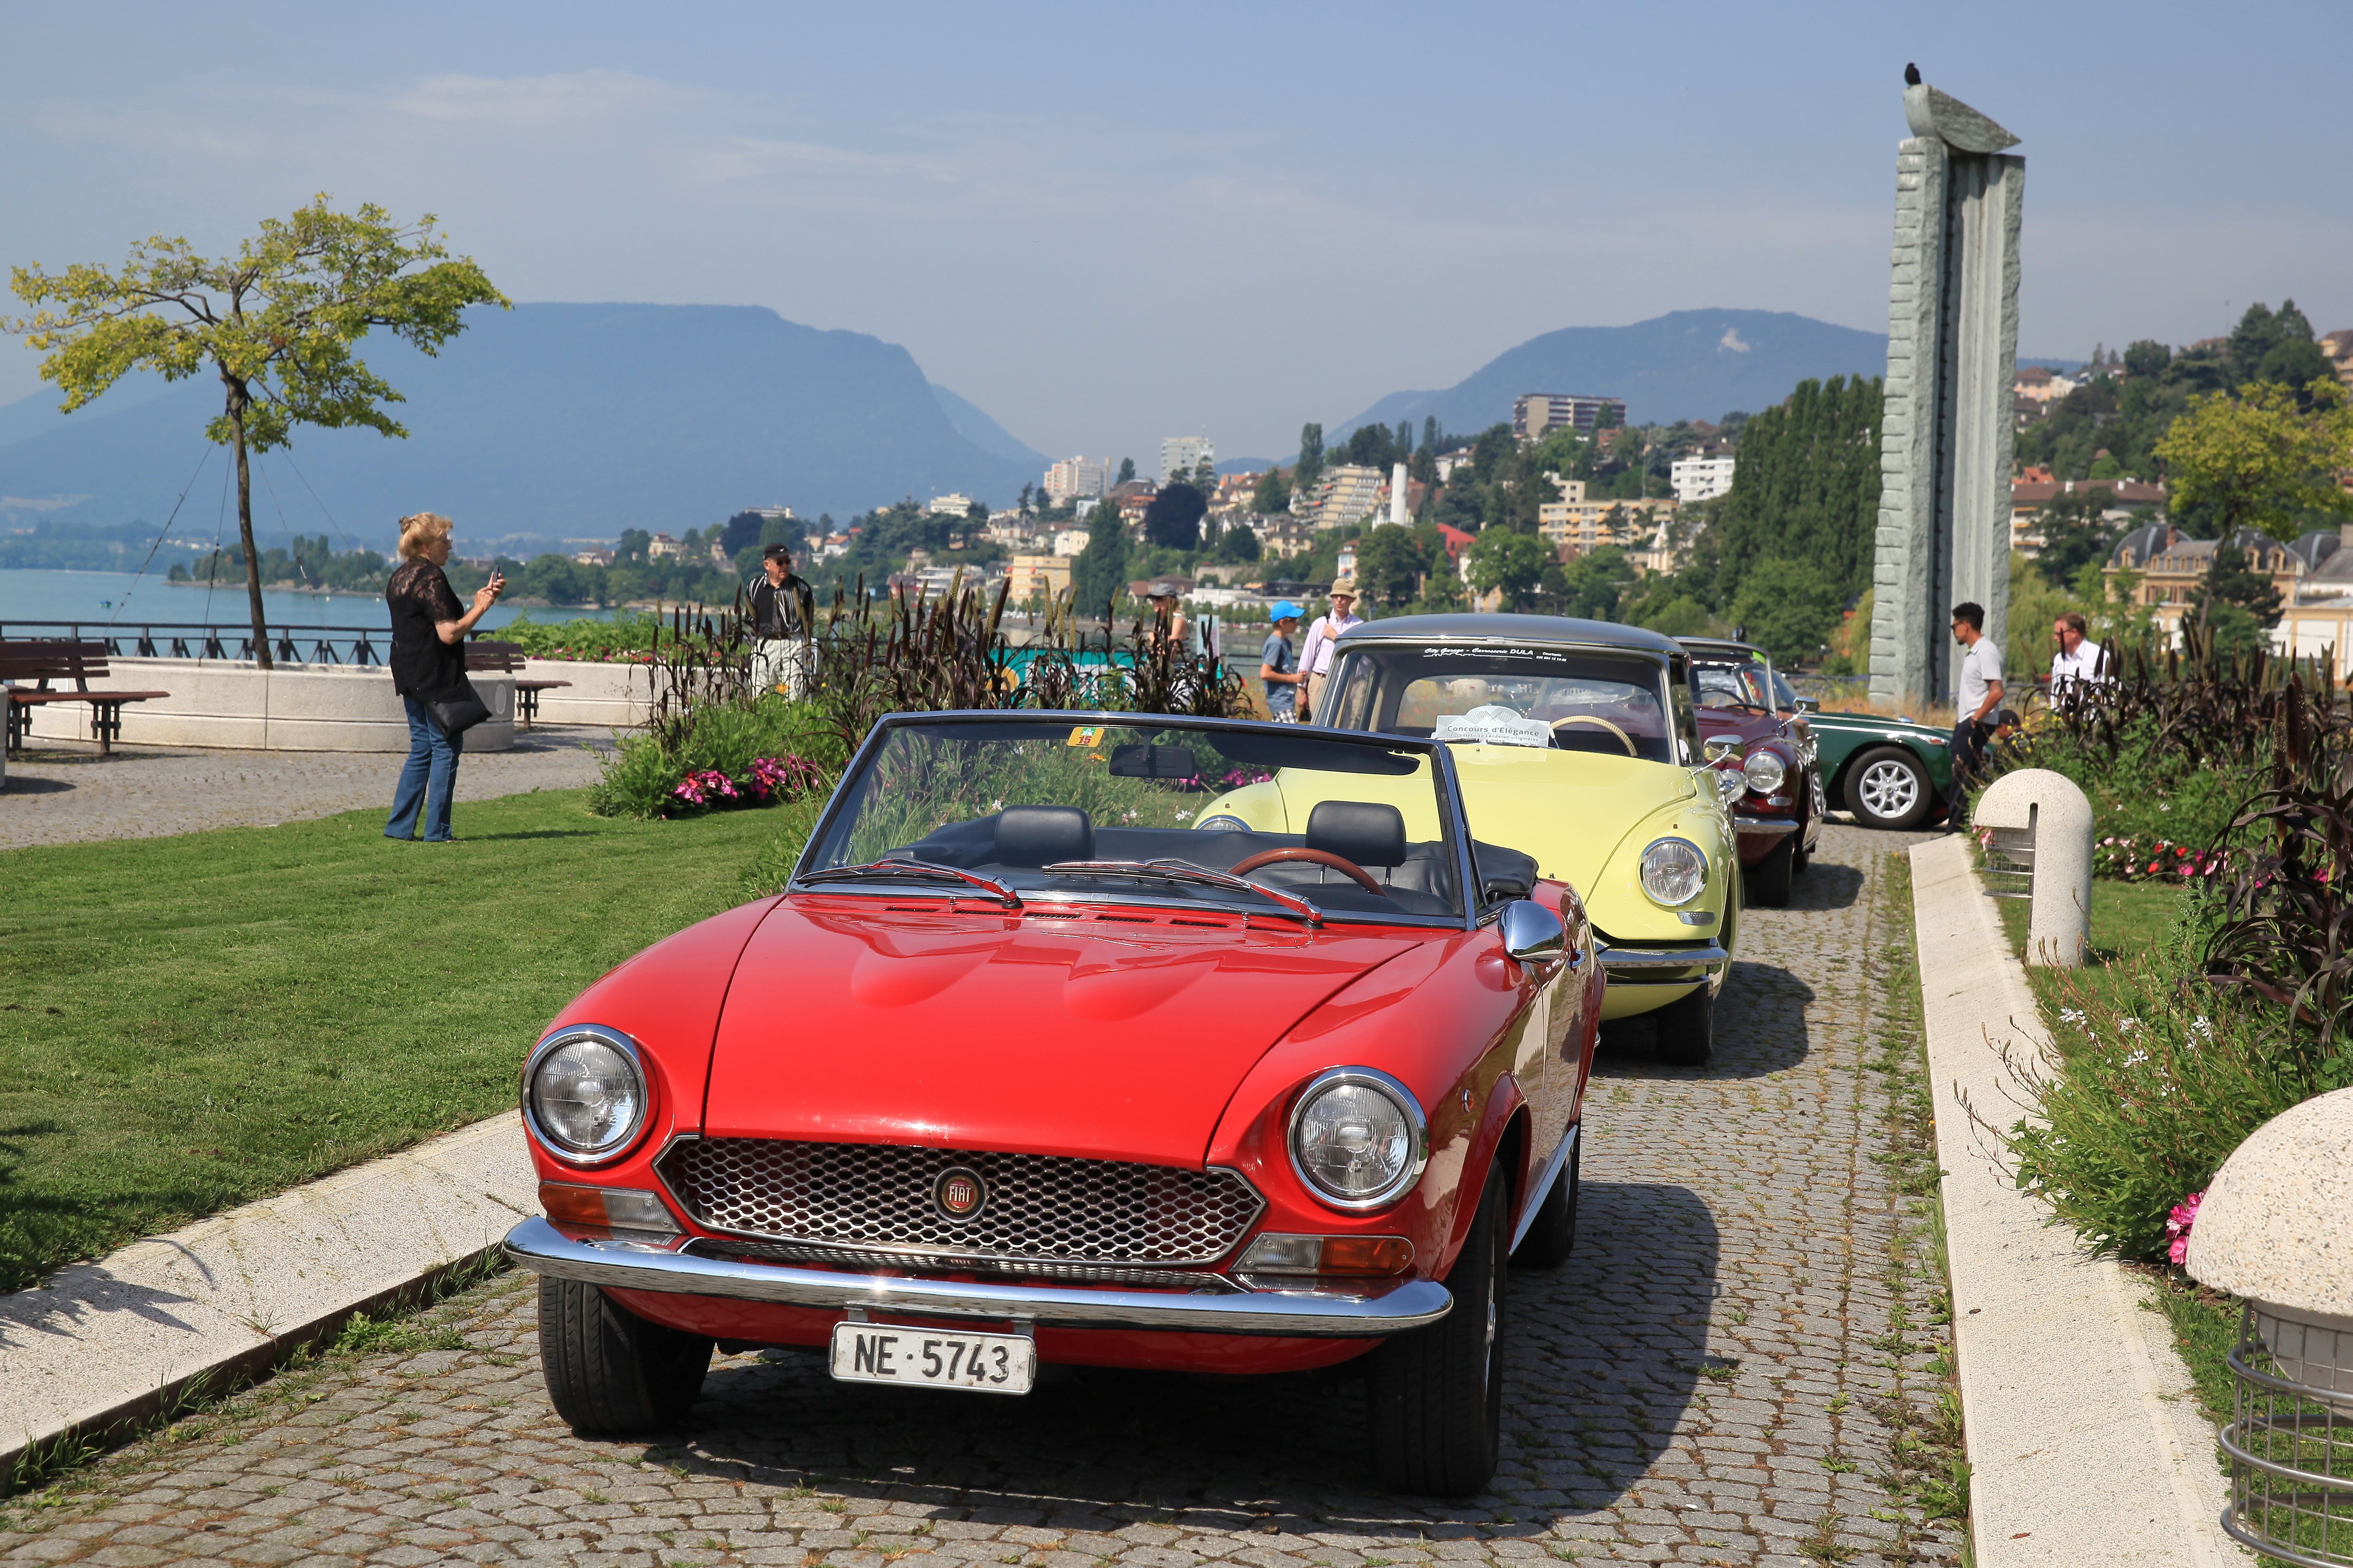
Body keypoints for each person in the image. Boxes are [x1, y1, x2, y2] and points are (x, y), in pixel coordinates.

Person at [386, 512, 502, 842]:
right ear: (427, 546)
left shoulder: (399, 577)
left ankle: (399, 827)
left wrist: (480, 601)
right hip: (436, 674)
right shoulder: (431, 577)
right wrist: (481, 607)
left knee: (421, 748)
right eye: (445, 541)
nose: (450, 546)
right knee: (446, 747)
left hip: (408, 672)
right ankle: (437, 830)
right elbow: (449, 634)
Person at [1950, 601, 2003, 827]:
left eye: (1955, 627)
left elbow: (1997, 691)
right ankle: (1960, 829)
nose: (1954, 632)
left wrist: (1975, 718)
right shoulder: (1975, 653)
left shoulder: (1986, 651)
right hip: (1968, 722)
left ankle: (1954, 832)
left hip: (1974, 724)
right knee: (1963, 778)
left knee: (1961, 780)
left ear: (1966, 625)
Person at [746, 544, 817, 697]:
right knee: (760, 694)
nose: (785, 566)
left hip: (794, 643)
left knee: (794, 695)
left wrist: (808, 645)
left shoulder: (801, 588)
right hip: (764, 644)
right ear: (767, 565)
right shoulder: (754, 587)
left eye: (787, 562)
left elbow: (809, 619)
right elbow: (750, 618)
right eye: (780, 563)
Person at [1296, 578, 1362, 722]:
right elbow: (1308, 657)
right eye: (1336, 597)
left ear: (1351, 600)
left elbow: (1363, 661)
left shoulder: (1359, 626)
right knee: (1318, 724)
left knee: (1343, 725)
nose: (1339, 600)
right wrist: (1301, 689)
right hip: (1320, 679)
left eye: (1343, 597)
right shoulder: (1321, 624)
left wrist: (1336, 638)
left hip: (1346, 681)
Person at [1260, 601, 1305, 722]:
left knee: (1282, 739)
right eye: (1294, 620)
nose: (1297, 623)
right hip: (1280, 702)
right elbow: (1265, 674)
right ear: (1282, 623)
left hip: (1287, 700)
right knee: (1293, 738)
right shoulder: (1275, 643)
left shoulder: (1286, 642)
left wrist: (1298, 676)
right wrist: (1293, 679)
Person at [2049, 611, 2108, 696]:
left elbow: (2111, 693)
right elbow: (2055, 693)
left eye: (2059, 634)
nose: (2055, 638)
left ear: (2074, 633)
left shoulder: (2100, 657)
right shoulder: (2059, 660)